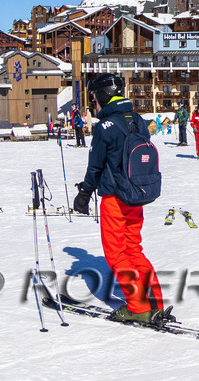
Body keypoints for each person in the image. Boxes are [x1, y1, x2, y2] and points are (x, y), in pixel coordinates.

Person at [72, 74, 170, 324]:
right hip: (136, 197)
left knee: (117, 254)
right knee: (134, 249)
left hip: (115, 200)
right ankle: (154, 300)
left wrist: (84, 194)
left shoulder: (105, 128)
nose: (94, 103)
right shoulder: (137, 120)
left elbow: (95, 167)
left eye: (94, 98)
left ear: (103, 96)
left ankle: (137, 307)